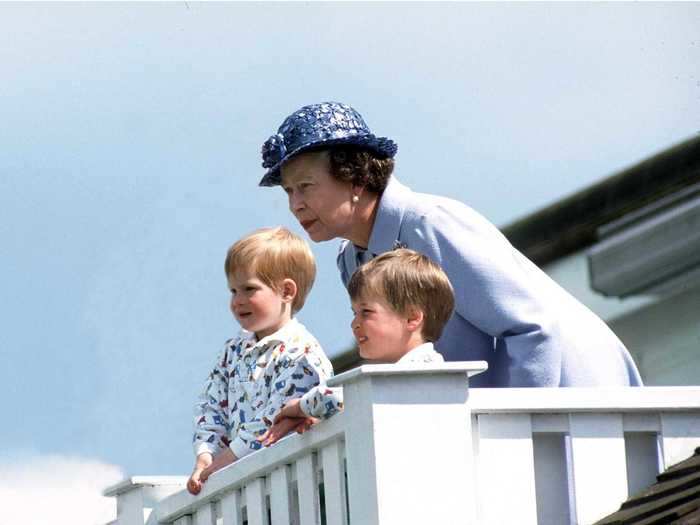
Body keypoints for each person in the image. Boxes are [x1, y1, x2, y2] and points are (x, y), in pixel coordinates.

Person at [258, 101, 643, 388]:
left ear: (355, 177)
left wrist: (514, 437)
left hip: (579, 400)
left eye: (306, 187)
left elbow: (533, 327)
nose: (296, 205)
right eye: (289, 192)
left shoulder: (430, 223)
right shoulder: (351, 259)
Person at [187, 227, 333, 495]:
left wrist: (225, 460)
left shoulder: (301, 352)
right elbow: (211, 403)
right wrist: (206, 454)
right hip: (244, 487)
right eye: (233, 290)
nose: (237, 301)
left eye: (249, 289)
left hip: (293, 485)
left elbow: (276, 417)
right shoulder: (233, 350)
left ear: (287, 291)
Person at [259, 248, 453, 446]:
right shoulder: (403, 373)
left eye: (366, 312)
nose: (355, 324)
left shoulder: (421, 368)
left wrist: (298, 407)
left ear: (412, 318)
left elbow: (338, 397)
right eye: (355, 313)